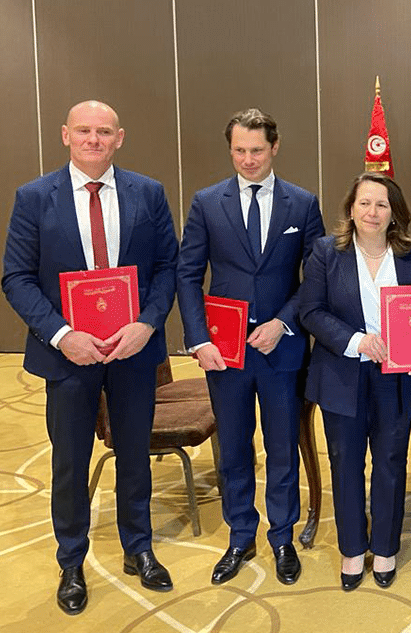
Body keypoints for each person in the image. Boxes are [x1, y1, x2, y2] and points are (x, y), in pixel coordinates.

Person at [1, 100, 179, 615]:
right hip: (68, 357)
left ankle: (138, 547)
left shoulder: (147, 193)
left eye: (104, 132)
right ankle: (72, 560)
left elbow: (167, 266)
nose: (94, 140)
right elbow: (16, 277)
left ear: (119, 137)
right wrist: (60, 335)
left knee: (134, 453)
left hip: (131, 351)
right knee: (71, 459)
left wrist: (146, 324)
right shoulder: (34, 198)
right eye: (84, 131)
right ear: (65, 135)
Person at [176, 108, 325, 587]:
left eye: (256, 150)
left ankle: (281, 536)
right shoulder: (206, 202)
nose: (248, 159)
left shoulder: (302, 204)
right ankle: (241, 534)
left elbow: (316, 278)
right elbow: (187, 274)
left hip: (281, 351)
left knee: (282, 447)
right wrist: (198, 338)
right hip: (225, 353)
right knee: (235, 450)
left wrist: (283, 323)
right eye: (239, 150)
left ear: (274, 148)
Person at [298, 172, 411, 591]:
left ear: (394, 212)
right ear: (351, 209)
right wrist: (357, 340)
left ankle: (387, 547)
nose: (372, 212)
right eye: (364, 204)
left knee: (391, 463)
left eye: (381, 204)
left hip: (397, 378)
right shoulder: (325, 252)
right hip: (343, 372)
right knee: (346, 463)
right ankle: (353, 548)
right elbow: (312, 311)